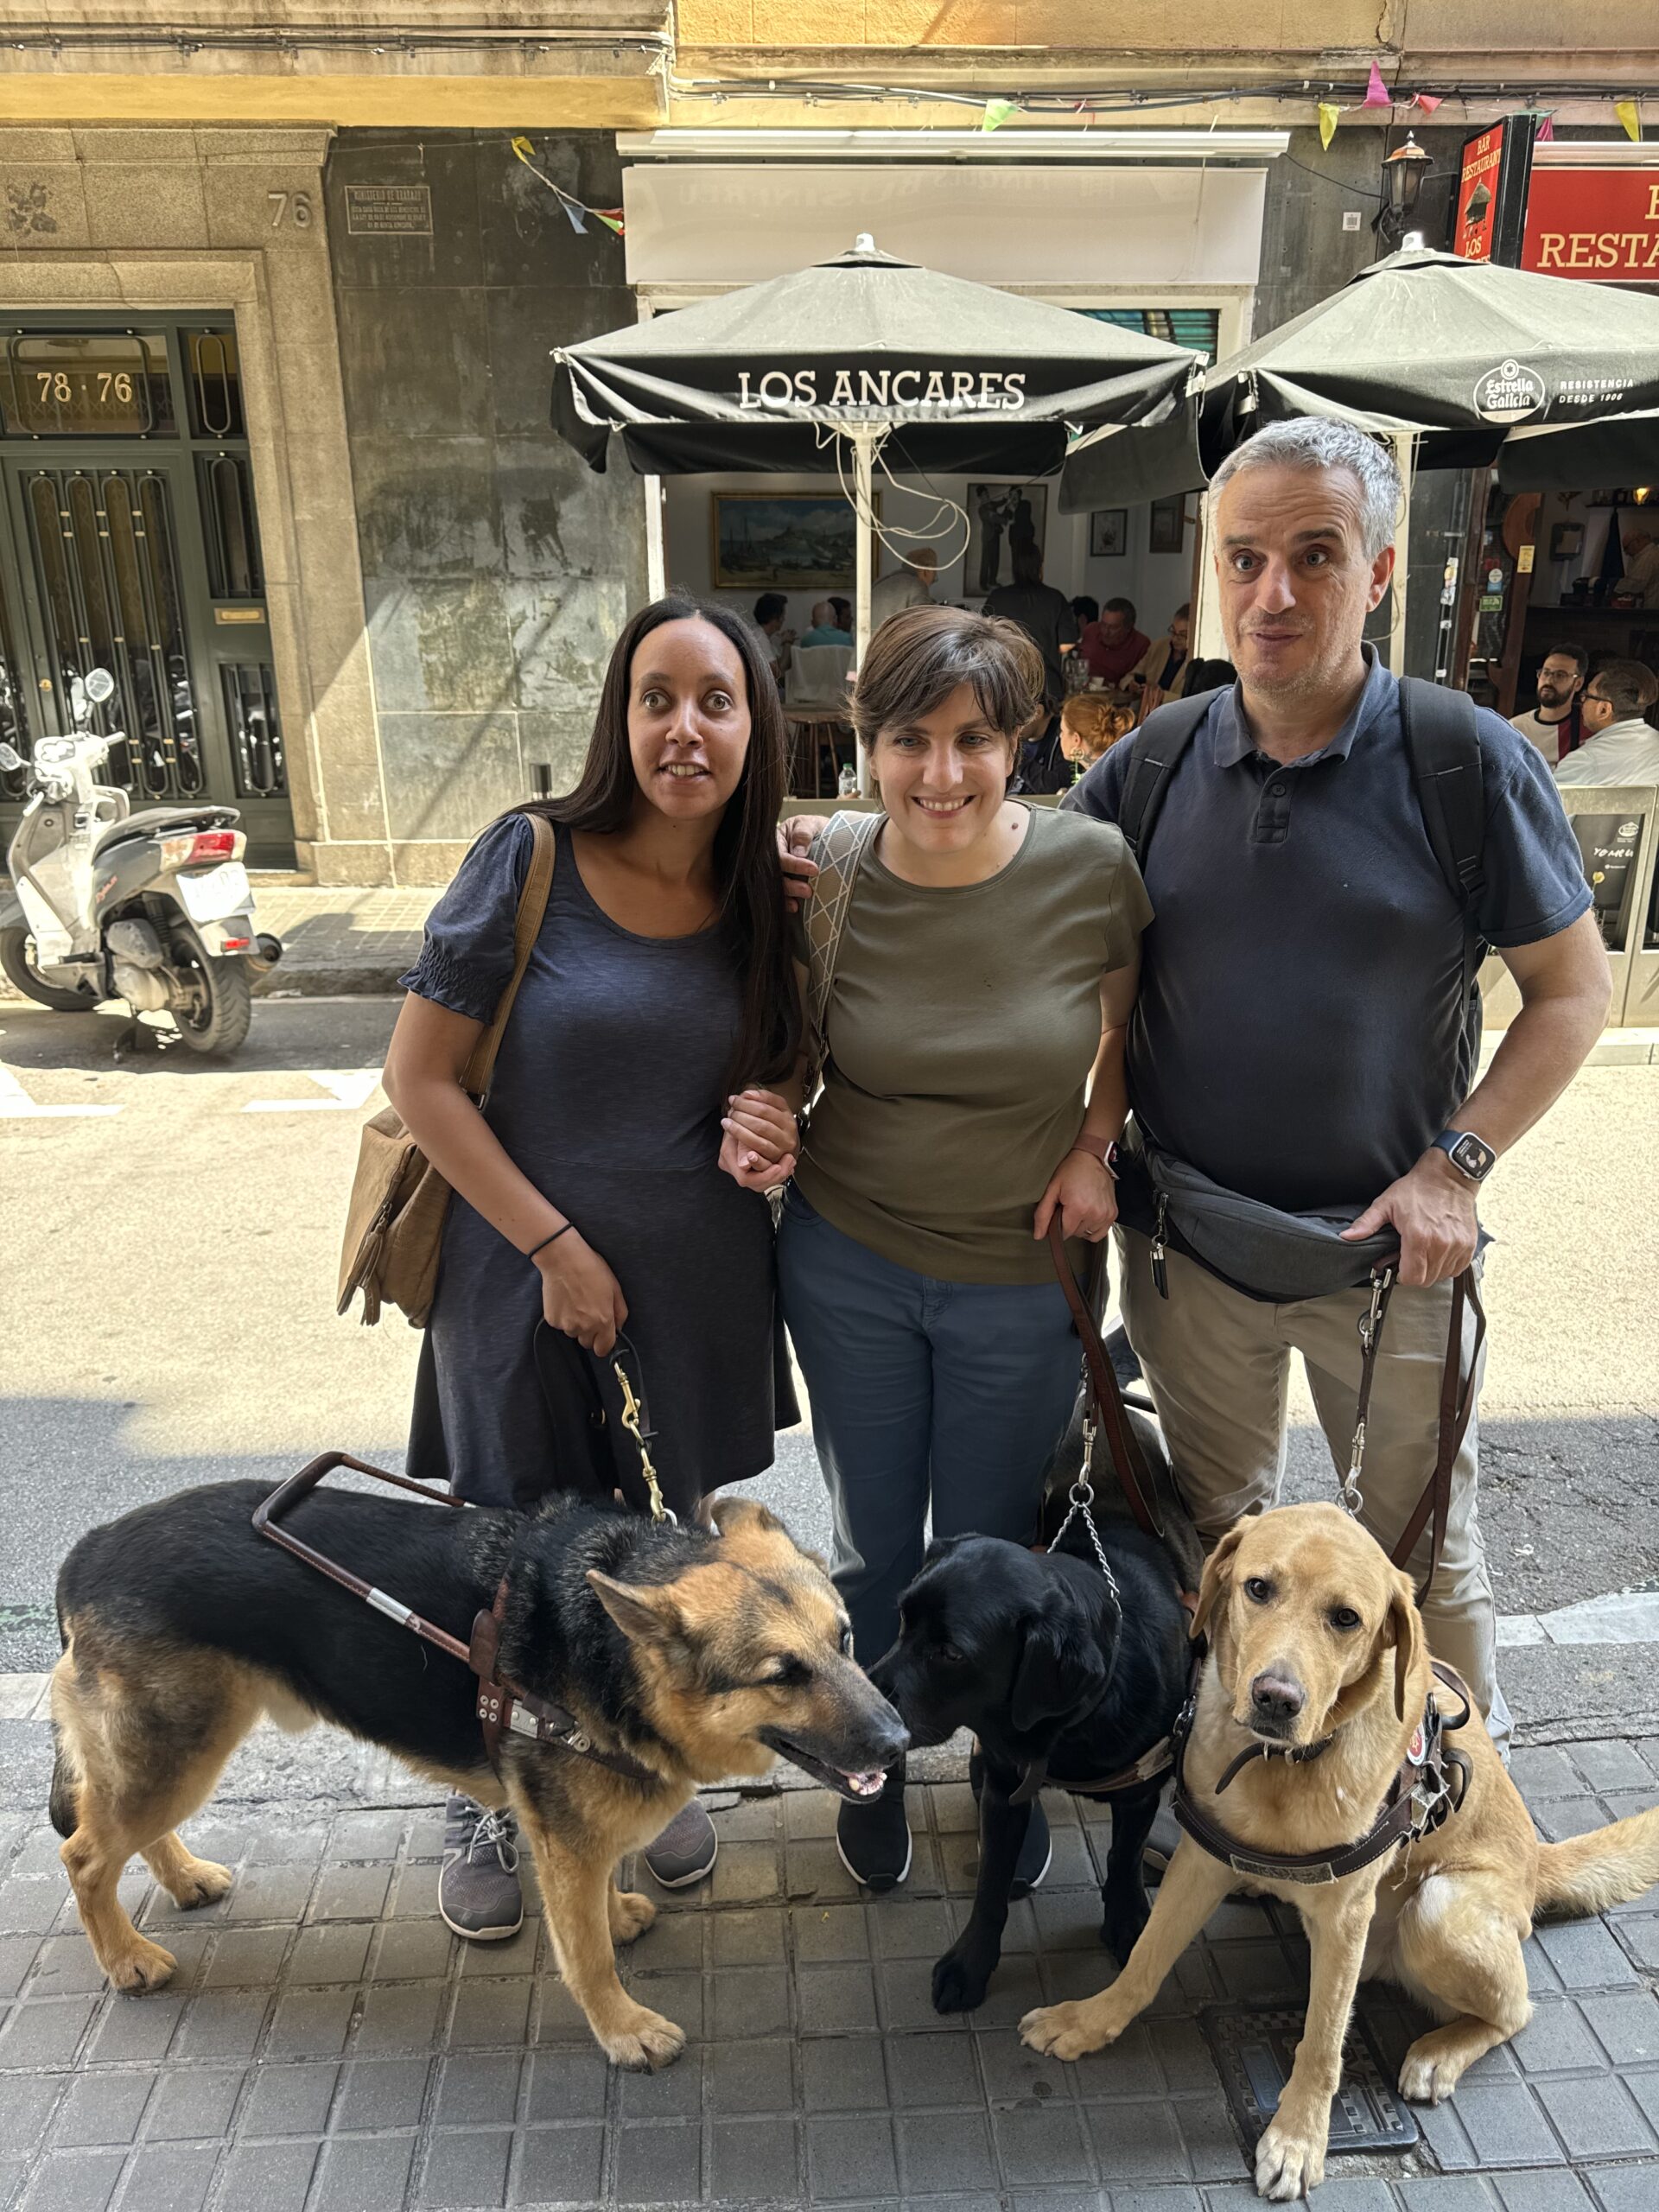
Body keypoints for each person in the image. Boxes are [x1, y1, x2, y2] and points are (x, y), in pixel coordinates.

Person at [1064, 416, 1610, 1759]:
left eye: (1315, 556)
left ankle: (1453, 1810)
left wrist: (1455, 1169)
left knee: (1424, 1565)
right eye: (1244, 559)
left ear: (1376, 571)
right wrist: (838, 852)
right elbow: (1027, 909)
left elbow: (1575, 992)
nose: (1274, 593)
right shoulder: (1154, 763)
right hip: (1194, 1256)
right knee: (1222, 1546)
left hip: (1397, 1272)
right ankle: (1240, 1790)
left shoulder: (1464, 757)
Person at [383, 593, 802, 1936]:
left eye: (717, 701)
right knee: (508, 1548)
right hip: (519, 1280)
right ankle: (485, 1784)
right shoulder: (531, 858)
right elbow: (423, 1079)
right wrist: (557, 1248)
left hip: (695, 1291)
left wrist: (781, 1123)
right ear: (620, 719)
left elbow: (794, 1073)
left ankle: (638, 1767)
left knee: (654, 1556)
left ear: (755, 726)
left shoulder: (769, 898)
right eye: (657, 698)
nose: (686, 727)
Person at [774, 604, 1152, 1891]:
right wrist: (763, 1110)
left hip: (1021, 1274)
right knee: (874, 1551)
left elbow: (1127, 1031)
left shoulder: (1090, 864)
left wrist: (1095, 1146)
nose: (941, 774)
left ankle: (1003, 1777)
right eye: (910, 740)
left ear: (1022, 743)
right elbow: (778, 1043)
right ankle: (865, 1762)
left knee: (991, 1553)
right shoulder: (823, 868)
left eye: (974, 740)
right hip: (850, 1259)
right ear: (865, 741)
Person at [1553, 658, 1659, 785]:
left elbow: (1543, 801)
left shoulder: (1584, 761)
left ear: (1604, 709)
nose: (1582, 702)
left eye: (1587, 695)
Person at [1510, 642, 1589, 767]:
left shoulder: (1588, 726)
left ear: (1578, 683)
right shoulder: (1515, 728)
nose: (1549, 680)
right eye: (1546, 672)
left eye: (1560, 675)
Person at [1128, 602, 1193, 717]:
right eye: (1173, 632)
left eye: (1183, 635)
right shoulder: (1159, 647)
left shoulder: (1197, 656)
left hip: (1177, 718)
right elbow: (1128, 677)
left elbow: (1192, 700)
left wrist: (1162, 695)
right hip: (1147, 715)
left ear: (1194, 634)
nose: (1175, 638)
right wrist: (1131, 684)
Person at [1077, 596, 1150, 690]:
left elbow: (1137, 681)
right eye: (1103, 625)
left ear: (1128, 628)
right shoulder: (1091, 630)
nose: (1105, 632)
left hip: (1115, 698)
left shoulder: (1141, 644)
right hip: (1081, 693)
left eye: (1113, 628)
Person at [1058, 693, 1135, 776]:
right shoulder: (1117, 772)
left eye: (1063, 731)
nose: (1060, 736)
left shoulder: (1094, 784)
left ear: (1076, 739)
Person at [870, 548, 938, 631]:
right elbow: (921, 628)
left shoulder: (880, 582)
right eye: (934, 578)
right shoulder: (918, 585)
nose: (932, 582)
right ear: (926, 571)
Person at [752, 591, 795, 687]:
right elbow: (778, 673)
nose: (784, 619)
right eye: (783, 615)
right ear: (775, 617)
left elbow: (785, 665)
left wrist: (786, 643)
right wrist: (787, 643)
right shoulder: (760, 638)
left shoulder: (764, 636)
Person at [1619, 527, 1659, 606]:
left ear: (1637, 541)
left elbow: (1635, 585)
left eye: (1627, 548)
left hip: (1652, 611)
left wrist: (1612, 585)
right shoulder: (1655, 553)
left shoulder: (1648, 557)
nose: (1626, 553)